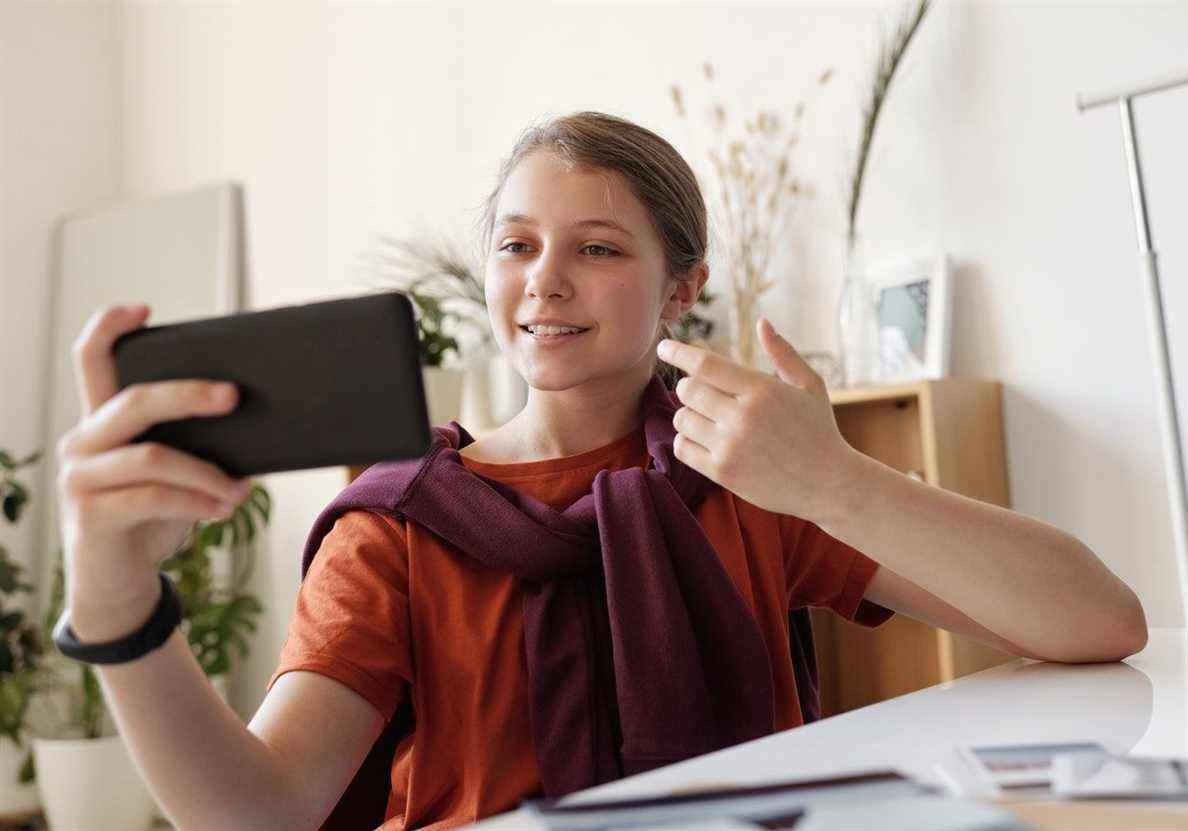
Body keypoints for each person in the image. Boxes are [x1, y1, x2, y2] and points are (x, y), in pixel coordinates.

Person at [56, 111, 1147, 831]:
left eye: (599, 247)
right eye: (517, 245)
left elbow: (1098, 622)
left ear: (682, 290)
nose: (547, 282)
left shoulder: (754, 480)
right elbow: (262, 812)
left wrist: (837, 482)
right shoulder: (397, 526)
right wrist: (115, 602)